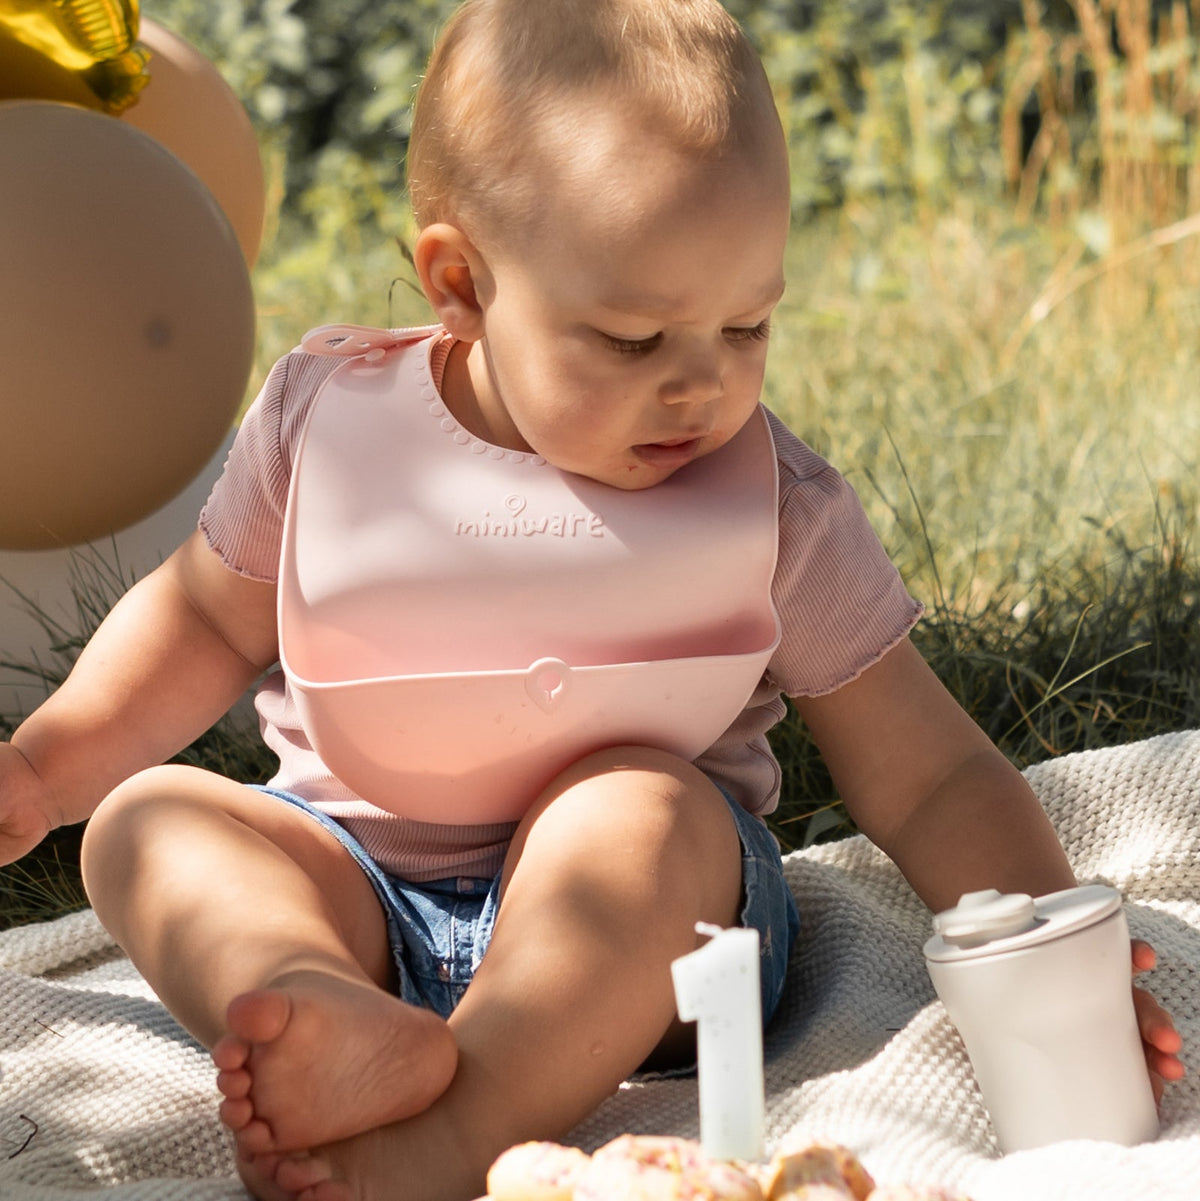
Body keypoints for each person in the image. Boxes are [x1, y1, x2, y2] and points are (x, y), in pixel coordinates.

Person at [0, 2, 1184, 1199]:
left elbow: (929, 773)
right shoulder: (325, 425)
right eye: (630, 338)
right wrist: (48, 770)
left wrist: (1054, 959)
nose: (702, 383)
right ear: (462, 283)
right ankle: (318, 1000)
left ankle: (460, 1123)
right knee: (148, 824)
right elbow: (204, 621)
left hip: (645, 948)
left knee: (638, 807)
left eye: (746, 324)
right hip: (354, 870)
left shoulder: (773, 509)